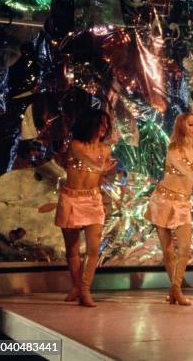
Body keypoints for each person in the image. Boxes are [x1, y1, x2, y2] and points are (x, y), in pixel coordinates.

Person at [145, 113, 193, 306]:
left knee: (184, 247)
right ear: (181, 127)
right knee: (168, 251)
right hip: (163, 201)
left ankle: (175, 288)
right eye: (191, 125)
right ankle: (176, 290)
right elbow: (186, 171)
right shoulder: (173, 149)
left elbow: (189, 174)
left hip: (182, 203)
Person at [54, 108, 116, 307]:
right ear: (90, 124)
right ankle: (76, 286)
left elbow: (99, 176)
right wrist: (102, 168)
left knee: (93, 249)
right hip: (72, 199)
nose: (104, 128)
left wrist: (102, 201)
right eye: (101, 123)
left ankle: (85, 289)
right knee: (72, 249)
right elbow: (88, 162)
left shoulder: (105, 150)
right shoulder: (76, 145)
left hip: (93, 200)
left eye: (107, 124)